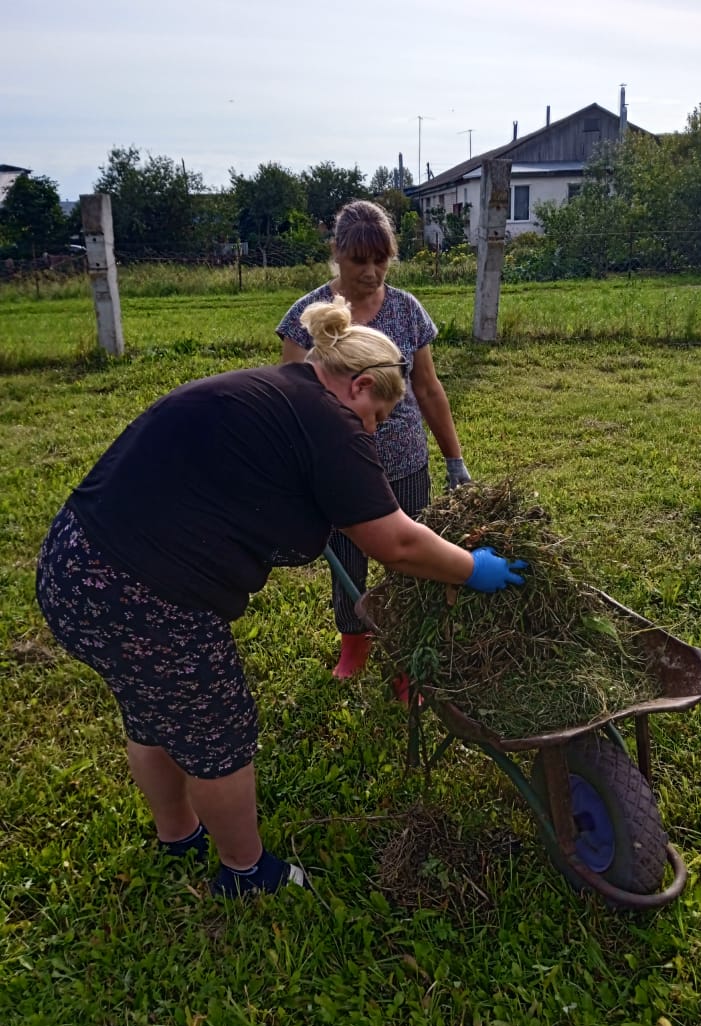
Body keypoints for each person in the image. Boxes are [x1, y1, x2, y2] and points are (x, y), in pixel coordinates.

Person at [36, 296, 528, 900]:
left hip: (74, 565)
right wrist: (473, 568)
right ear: (361, 385)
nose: (371, 432)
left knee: (152, 710)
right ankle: (247, 874)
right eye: (377, 417)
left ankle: (178, 834)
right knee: (218, 727)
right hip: (142, 593)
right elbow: (396, 544)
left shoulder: (273, 391)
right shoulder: (331, 419)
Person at [277, 199, 472, 680]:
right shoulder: (307, 315)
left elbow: (427, 387)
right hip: (336, 468)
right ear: (337, 254)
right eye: (359, 260)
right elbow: (292, 399)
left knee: (410, 557)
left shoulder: (406, 310)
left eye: (380, 259)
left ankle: (408, 651)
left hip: (403, 459)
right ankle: (355, 641)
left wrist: (453, 459)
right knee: (346, 556)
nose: (371, 271)